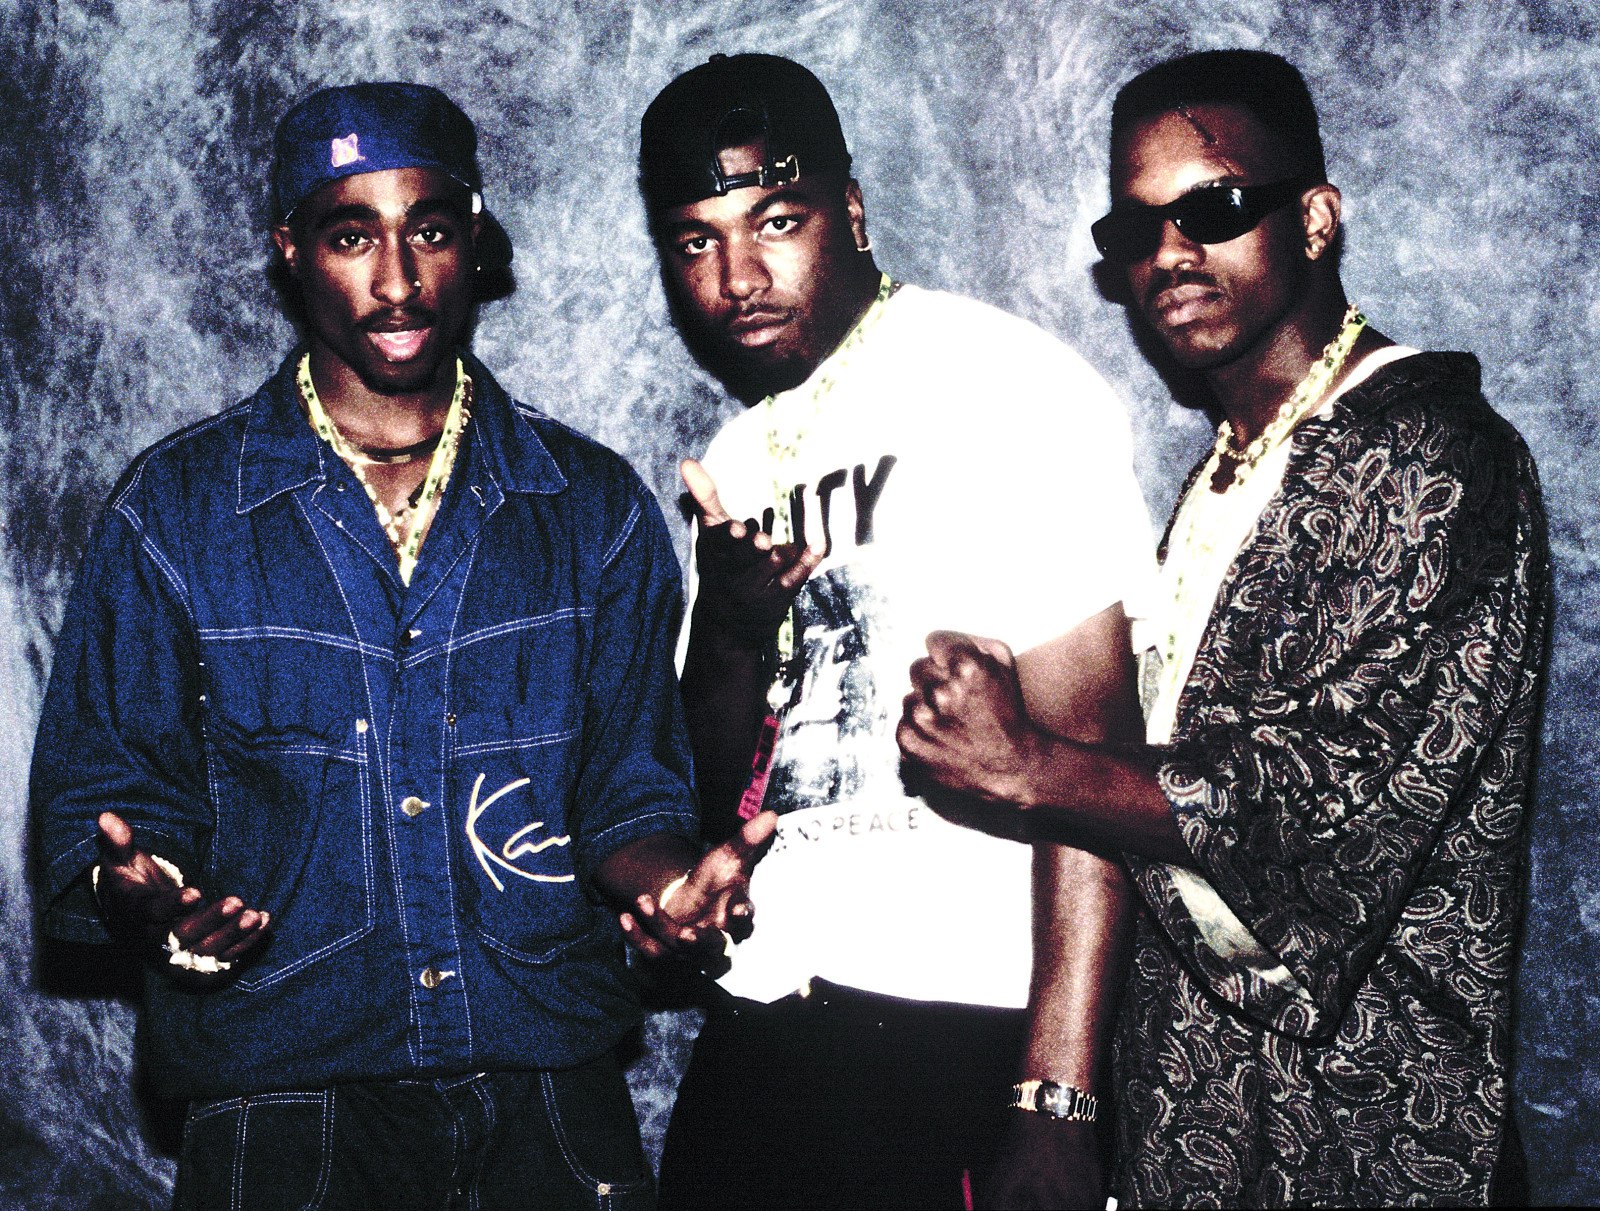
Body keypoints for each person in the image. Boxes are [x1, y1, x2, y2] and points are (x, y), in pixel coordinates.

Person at [30, 81, 769, 1210]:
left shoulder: (591, 507)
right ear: (290, 249)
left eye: (427, 230)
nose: (397, 280)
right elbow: (107, 799)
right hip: (282, 1100)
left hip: (549, 1095)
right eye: (350, 236)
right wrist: (147, 891)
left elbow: (628, 789)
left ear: (474, 237)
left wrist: (671, 885)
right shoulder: (174, 512)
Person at [897, 48, 1550, 1207]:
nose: (1168, 254)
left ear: (1315, 220)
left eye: (1213, 209)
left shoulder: (1430, 455)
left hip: (1375, 1138)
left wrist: (1033, 764)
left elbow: (1319, 808)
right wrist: (1062, 1100)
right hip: (1186, 1130)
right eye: (1135, 229)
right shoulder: (1227, 473)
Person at [633, 53, 1155, 1210]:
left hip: (963, 1033)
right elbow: (716, 794)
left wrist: (1057, 1100)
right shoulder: (737, 459)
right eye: (695, 241)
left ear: (854, 210)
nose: (738, 276)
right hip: (766, 1029)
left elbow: (1093, 759)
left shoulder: (1003, 383)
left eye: (777, 221)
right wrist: (730, 632)